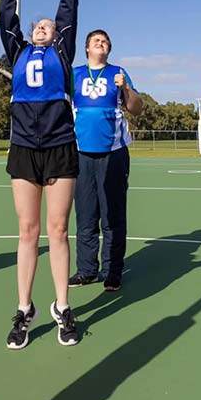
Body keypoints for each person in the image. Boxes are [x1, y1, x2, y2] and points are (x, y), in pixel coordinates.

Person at [0, 0, 80, 349]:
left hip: (61, 144)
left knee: (59, 229)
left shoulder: (62, 52)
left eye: (48, 26)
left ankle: (62, 306)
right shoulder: (17, 51)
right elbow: (5, 16)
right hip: (24, 147)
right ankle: (24, 307)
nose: (44, 28)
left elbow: (68, 10)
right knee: (28, 230)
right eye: (39, 26)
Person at [69, 29, 142, 291]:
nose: (101, 44)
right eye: (96, 41)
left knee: (112, 215)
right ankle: (86, 270)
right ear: (87, 48)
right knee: (86, 214)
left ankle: (113, 271)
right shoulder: (74, 74)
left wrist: (126, 89)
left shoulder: (118, 73)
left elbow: (136, 107)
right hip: (81, 152)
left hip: (114, 152)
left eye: (105, 41)